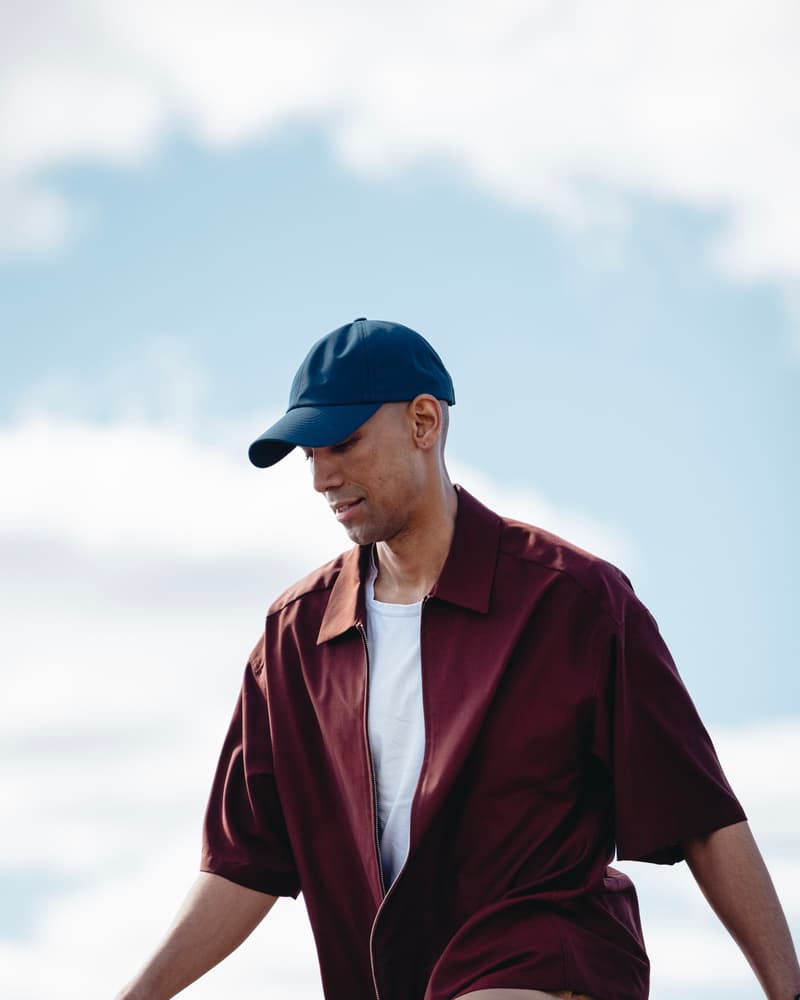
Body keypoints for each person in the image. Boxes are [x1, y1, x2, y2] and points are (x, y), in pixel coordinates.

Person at [116, 319, 799, 1000]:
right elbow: (242, 863)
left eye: (343, 443)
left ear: (424, 422)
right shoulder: (294, 640)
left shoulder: (575, 602)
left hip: (550, 966)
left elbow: (701, 816)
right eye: (309, 455)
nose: (322, 477)